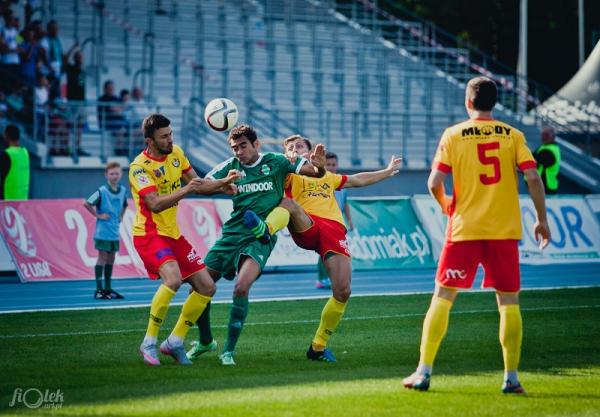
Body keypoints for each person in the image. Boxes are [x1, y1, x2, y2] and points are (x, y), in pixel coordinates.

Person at [401, 76, 551, 394]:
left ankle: (423, 372)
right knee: (508, 301)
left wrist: (445, 205)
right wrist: (541, 220)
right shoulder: (513, 135)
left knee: (443, 297)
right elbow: (533, 177)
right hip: (504, 229)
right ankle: (511, 378)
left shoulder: (454, 135)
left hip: (464, 228)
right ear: (493, 103)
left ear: (468, 102)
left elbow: (433, 182)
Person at [244, 135, 400, 363]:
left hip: (334, 230)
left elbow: (357, 180)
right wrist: (284, 161)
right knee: (288, 204)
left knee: (343, 291)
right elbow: (264, 175)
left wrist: (386, 171)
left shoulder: (327, 176)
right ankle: (266, 230)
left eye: (299, 146)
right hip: (306, 225)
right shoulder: (285, 173)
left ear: (309, 151)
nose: (294, 149)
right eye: (290, 147)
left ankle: (317, 346)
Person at [186, 124, 327, 366]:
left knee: (241, 287)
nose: (239, 151)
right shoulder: (230, 166)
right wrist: (224, 183)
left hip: (260, 237)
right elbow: (202, 186)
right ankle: (206, 341)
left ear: (256, 144)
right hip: (231, 234)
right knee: (198, 287)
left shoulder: (277, 161)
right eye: (234, 147)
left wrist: (320, 164)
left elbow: (315, 173)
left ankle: (228, 351)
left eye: (243, 146)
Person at [130, 113, 239, 366]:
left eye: (170, 134)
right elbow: (155, 204)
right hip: (149, 234)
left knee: (207, 287)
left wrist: (224, 184)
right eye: (164, 137)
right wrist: (187, 190)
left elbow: (197, 184)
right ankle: (149, 342)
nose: (170, 140)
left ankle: (175, 341)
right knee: (174, 279)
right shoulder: (139, 168)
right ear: (150, 140)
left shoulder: (176, 153)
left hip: (173, 235)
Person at [84, 161, 128, 300]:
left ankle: (108, 288)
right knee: (102, 258)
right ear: (106, 175)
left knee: (111, 258)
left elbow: (125, 205)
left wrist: (121, 215)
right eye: (111, 173)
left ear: (121, 174)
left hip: (114, 231)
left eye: (117, 173)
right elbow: (87, 203)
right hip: (102, 232)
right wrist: (98, 215)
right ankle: (99, 289)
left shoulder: (122, 191)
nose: (114, 176)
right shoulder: (101, 191)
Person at [315, 151, 354, 290]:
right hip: (325, 222)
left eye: (333, 164)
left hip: (338, 223)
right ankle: (322, 279)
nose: (331, 167)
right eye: (328, 164)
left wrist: (349, 221)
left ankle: (334, 278)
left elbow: (346, 203)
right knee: (324, 252)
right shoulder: (320, 182)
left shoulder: (340, 181)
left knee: (337, 252)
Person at [0, 124, 30, 200]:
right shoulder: (25, 152)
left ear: (6, 136)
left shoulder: (6, 154)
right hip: (22, 200)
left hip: (8, 201)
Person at [533, 127, 560, 194]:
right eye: (542, 134)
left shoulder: (548, 150)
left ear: (553, 136)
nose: (543, 137)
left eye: (546, 135)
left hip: (544, 186)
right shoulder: (546, 147)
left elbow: (533, 163)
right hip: (546, 185)